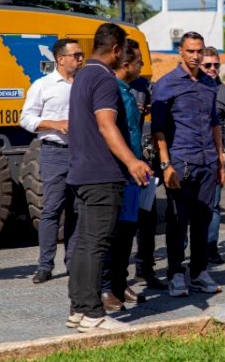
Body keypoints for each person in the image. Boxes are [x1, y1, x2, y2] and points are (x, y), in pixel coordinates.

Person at [65, 23, 152, 332]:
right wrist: (132, 161)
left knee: (85, 243)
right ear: (116, 50)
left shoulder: (81, 76)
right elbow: (106, 124)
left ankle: (78, 309)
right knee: (95, 245)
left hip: (82, 171)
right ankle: (91, 312)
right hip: (102, 174)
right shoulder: (104, 79)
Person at [151, 31, 225, 297]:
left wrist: (220, 156)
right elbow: (158, 129)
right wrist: (166, 164)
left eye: (199, 51)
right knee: (178, 221)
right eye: (191, 51)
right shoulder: (166, 84)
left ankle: (198, 271)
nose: (196, 56)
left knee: (203, 219)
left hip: (207, 161)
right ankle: (175, 273)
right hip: (180, 161)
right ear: (180, 51)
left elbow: (214, 121)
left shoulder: (209, 83)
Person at [20, 38, 84, 284]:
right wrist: (55, 124)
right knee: (52, 209)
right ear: (61, 59)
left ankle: (73, 262)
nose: (80, 59)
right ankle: (45, 265)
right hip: (54, 152)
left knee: (77, 209)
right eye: (76, 55)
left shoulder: (83, 84)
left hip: (81, 153)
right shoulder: (43, 86)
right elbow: (25, 119)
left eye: (81, 54)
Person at [100, 39, 149, 311]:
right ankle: (105, 287)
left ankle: (120, 282)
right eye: (140, 62)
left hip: (134, 176)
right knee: (111, 233)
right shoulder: (111, 91)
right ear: (127, 65)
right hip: (117, 174)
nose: (142, 66)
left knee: (127, 231)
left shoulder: (130, 91)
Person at [130, 76, 167, 290]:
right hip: (122, 165)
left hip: (143, 165)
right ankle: (115, 278)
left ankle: (145, 269)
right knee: (123, 226)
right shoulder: (110, 85)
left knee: (148, 219)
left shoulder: (144, 86)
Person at [201, 47, 225, 264]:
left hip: (215, 157)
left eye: (216, 65)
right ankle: (183, 252)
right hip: (190, 155)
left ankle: (210, 247)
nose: (213, 69)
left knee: (213, 205)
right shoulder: (189, 89)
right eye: (208, 65)